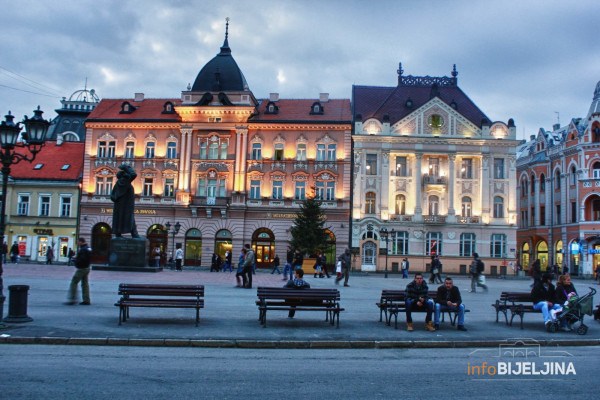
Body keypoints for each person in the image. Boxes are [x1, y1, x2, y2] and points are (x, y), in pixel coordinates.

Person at [110, 164, 140, 238]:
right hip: (126, 205)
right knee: (130, 217)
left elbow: (113, 195)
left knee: (120, 218)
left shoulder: (119, 183)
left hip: (120, 206)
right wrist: (126, 168)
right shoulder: (125, 181)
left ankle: (118, 233)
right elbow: (133, 174)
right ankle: (134, 233)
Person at [66, 237, 91, 305]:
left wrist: (75, 260)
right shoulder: (87, 248)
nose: (77, 243)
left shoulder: (83, 249)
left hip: (82, 268)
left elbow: (82, 260)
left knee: (74, 282)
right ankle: (86, 300)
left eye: (78, 242)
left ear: (81, 242)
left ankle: (72, 299)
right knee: (85, 284)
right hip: (87, 267)